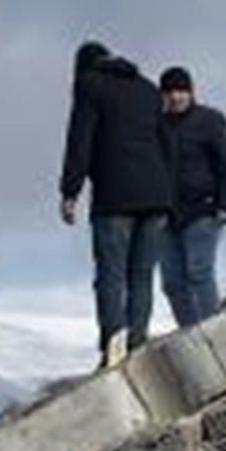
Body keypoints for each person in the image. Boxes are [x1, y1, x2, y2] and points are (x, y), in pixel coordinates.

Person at [59, 41, 172, 365]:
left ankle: (114, 351)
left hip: (115, 198)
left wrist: (70, 192)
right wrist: (168, 196)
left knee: (111, 277)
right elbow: (166, 143)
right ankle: (136, 350)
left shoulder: (89, 84)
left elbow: (80, 138)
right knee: (141, 277)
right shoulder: (149, 89)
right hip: (156, 197)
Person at [157, 66, 226, 328]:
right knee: (171, 282)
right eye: (170, 92)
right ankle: (191, 334)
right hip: (166, 214)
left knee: (199, 273)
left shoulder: (211, 120)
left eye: (182, 91)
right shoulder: (156, 124)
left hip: (204, 210)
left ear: (192, 92)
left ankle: (213, 333)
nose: (176, 96)